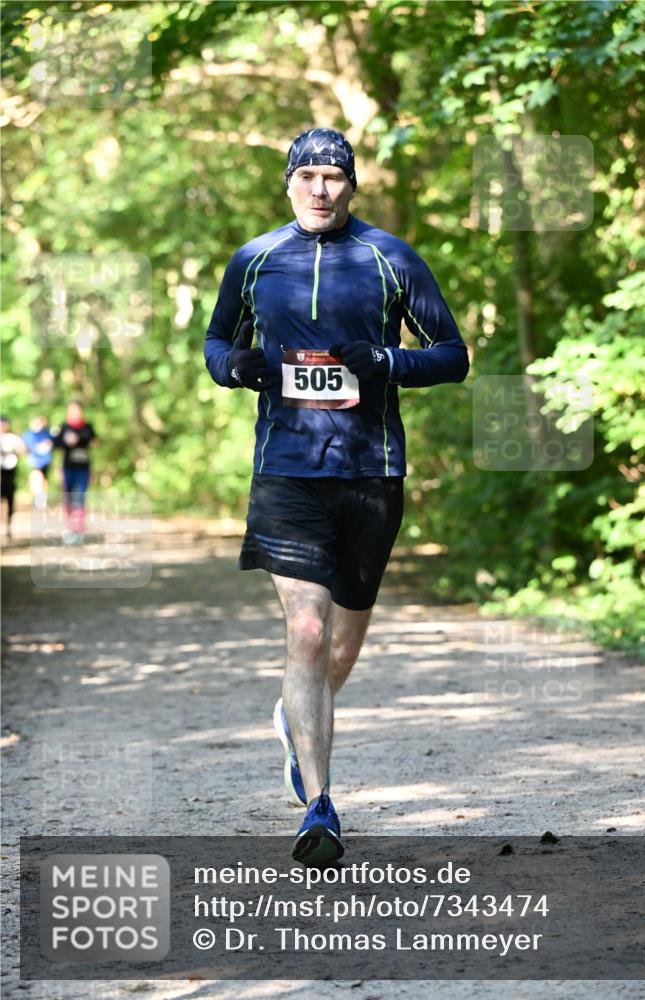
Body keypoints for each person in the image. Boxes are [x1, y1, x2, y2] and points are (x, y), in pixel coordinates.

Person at [204, 127, 469, 866]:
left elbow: (451, 355)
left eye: (333, 177)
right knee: (308, 635)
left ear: (351, 186)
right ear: (287, 184)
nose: (320, 188)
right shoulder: (255, 259)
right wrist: (238, 367)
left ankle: (299, 719)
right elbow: (216, 341)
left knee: (342, 647)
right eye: (308, 176)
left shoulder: (389, 258)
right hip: (286, 472)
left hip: (371, 472)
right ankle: (318, 808)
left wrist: (384, 359)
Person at [51, 402, 96, 545]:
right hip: (68, 468)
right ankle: (71, 528)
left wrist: (79, 440)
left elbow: (93, 440)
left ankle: (80, 529)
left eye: (77, 410)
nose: (75, 413)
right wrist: (66, 442)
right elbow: (56, 444)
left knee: (81, 498)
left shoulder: (87, 427)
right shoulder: (64, 427)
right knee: (69, 499)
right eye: (72, 410)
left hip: (83, 468)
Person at [1, 416, 26, 540]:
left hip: (10, 473)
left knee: (10, 500)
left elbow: (23, 450)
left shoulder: (12, 438)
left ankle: (9, 527)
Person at [23, 415, 54, 509]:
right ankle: (37, 499)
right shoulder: (29, 434)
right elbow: (26, 446)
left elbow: (52, 443)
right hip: (34, 461)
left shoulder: (47, 433)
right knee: (36, 479)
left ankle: (41, 499)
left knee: (43, 480)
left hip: (45, 461)